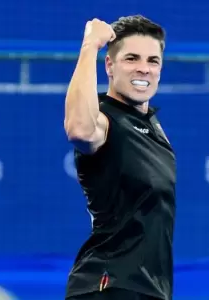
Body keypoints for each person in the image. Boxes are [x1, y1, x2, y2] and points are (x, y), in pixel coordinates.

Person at [64, 15, 176, 300]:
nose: (144, 69)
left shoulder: (155, 129)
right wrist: (90, 45)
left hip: (149, 290)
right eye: (131, 58)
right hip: (109, 285)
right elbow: (79, 128)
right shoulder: (104, 118)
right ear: (110, 66)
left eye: (153, 61)